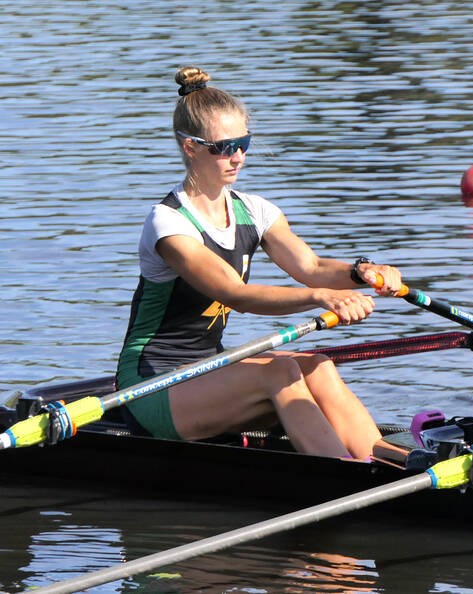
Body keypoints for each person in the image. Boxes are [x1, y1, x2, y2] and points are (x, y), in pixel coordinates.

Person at [116, 66, 401, 460]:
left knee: (316, 364)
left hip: (211, 369)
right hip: (152, 386)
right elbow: (237, 294)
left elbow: (312, 267)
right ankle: (343, 474)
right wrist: (322, 298)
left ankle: (390, 461)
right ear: (191, 148)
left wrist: (362, 273)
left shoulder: (256, 211)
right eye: (224, 147)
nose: (238, 156)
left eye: (243, 142)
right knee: (280, 371)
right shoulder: (169, 224)